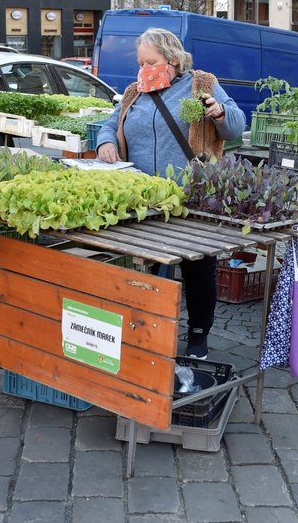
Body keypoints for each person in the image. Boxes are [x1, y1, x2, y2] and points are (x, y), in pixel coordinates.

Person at [95, 27, 246, 359]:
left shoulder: (201, 85)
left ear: (173, 60)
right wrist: (106, 142)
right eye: (140, 62)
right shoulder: (136, 91)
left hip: (189, 196)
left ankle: (197, 336)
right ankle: (150, 330)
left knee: (197, 266)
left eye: (151, 62)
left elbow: (236, 126)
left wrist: (217, 112)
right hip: (142, 200)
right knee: (148, 262)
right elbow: (111, 123)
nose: (144, 69)